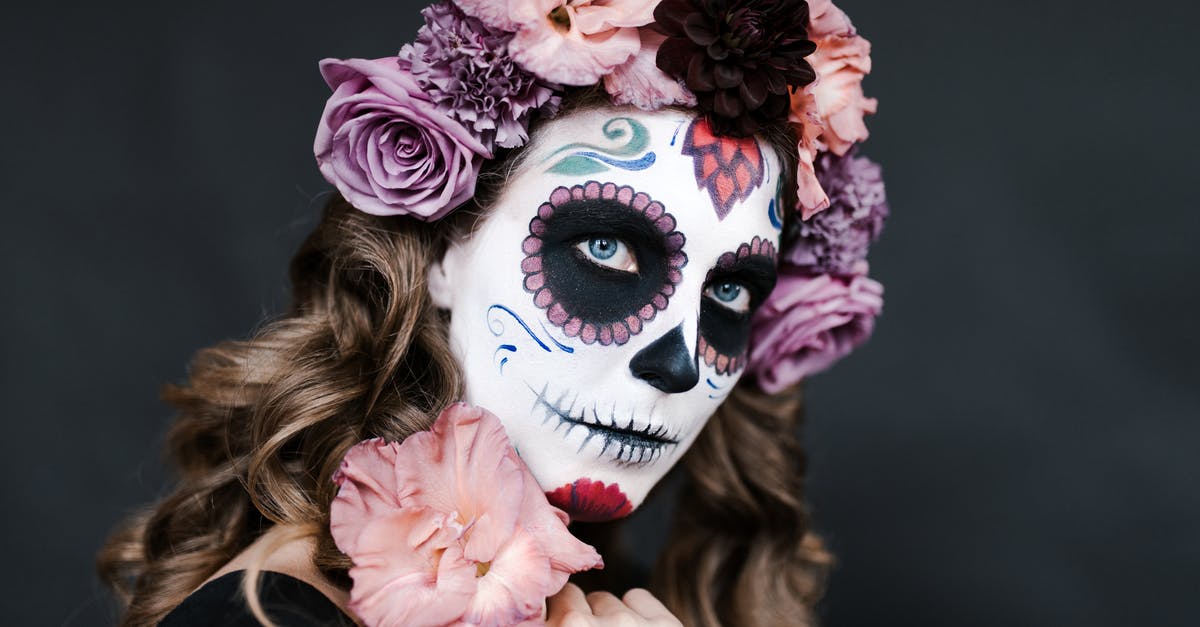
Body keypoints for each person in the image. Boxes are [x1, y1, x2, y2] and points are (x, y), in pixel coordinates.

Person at [98, 1, 887, 625]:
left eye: (730, 293)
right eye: (608, 250)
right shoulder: (266, 617)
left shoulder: (616, 602)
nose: (679, 363)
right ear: (444, 245)